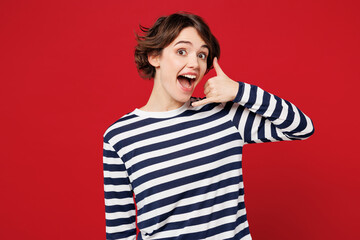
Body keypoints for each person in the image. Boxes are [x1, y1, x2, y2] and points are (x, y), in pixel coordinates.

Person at [103, 12, 314, 240]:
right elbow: (119, 231)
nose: (194, 63)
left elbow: (301, 127)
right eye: (181, 51)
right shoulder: (119, 137)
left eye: (202, 55)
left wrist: (238, 91)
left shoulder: (223, 114)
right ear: (155, 57)